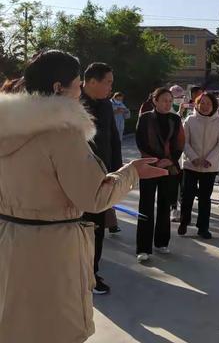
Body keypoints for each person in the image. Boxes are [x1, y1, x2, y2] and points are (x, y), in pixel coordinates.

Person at [0, 50, 167, 343]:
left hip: (9, 238)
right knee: (56, 327)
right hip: (51, 247)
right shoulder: (61, 133)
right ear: (58, 88)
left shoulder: (7, 127)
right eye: (77, 84)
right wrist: (131, 173)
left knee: (16, 321)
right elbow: (94, 197)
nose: (80, 91)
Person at [81, 62, 123, 293]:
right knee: (80, 228)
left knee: (97, 227)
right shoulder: (72, 104)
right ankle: (80, 274)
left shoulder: (106, 105)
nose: (110, 87)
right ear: (92, 81)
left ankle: (92, 273)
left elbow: (114, 139)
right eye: (107, 82)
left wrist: (116, 170)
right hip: (78, 178)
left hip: (103, 176)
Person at [136, 87, 185, 261]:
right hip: (149, 166)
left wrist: (170, 160)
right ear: (155, 101)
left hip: (169, 167)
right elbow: (141, 141)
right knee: (146, 206)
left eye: (170, 101)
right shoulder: (145, 118)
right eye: (164, 100)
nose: (167, 104)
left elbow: (180, 142)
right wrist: (155, 160)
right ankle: (143, 248)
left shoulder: (175, 119)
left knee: (165, 205)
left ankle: (162, 242)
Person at [178, 93, 219, 238]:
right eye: (202, 103)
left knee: (205, 198)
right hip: (190, 165)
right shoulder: (190, 120)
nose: (205, 106)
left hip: (209, 167)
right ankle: (184, 221)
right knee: (187, 196)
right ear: (197, 104)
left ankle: (203, 227)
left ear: (213, 106)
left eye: (208, 104)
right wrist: (193, 157)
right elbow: (184, 142)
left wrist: (210, 159)